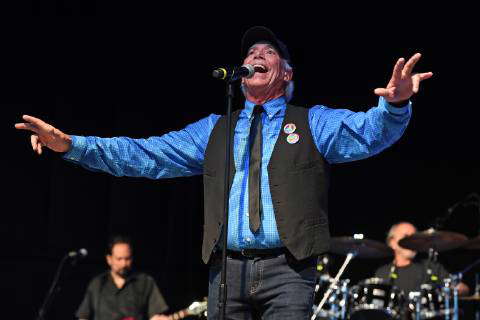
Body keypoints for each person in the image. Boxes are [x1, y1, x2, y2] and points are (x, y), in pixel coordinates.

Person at [16, 26, 433, 319]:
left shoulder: (311, 122)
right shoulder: (216, 128)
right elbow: (146, 153)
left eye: (268, 52)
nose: (256, 56)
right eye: (251, 53)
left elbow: (367, 134)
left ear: (286, 74)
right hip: (226, 272)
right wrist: (71, 145)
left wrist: (394, 106)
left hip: (289, 271)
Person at [76, 235, 170, 320]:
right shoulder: (97, 284)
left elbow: (154, 315)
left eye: (127, 259)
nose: (124, 264)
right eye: (119, 259)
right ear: (109, 259)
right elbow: (83, 315)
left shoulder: (145, 282)